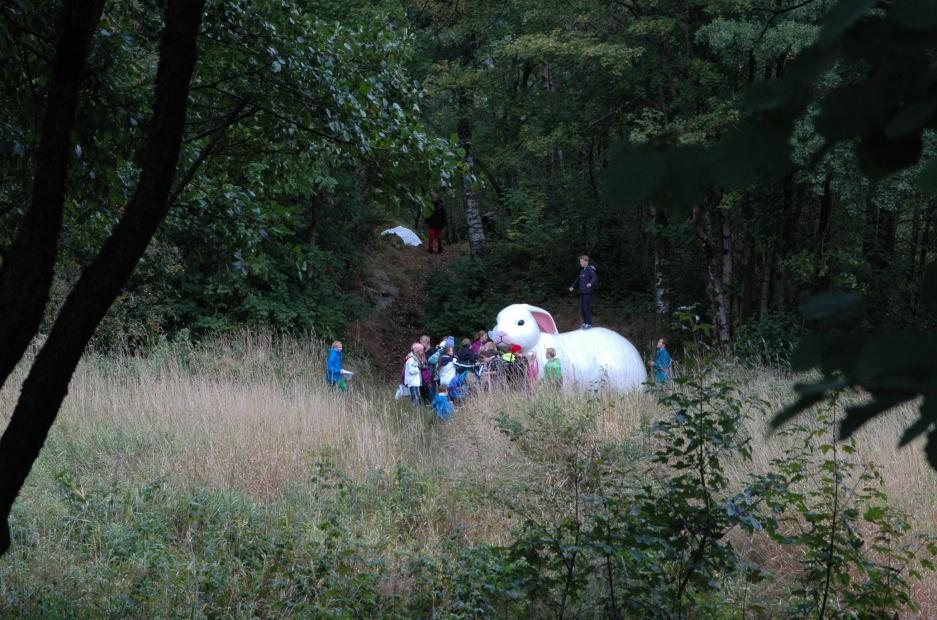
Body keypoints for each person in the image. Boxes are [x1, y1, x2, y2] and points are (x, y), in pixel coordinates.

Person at [568, 254, 598, 330]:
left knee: (586, 308)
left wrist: (590, 283)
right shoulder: (582, 271)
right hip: (581, 292)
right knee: (582, 308)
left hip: (587, 292)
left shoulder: (589, 270)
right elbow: (577, 280)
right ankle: (585, 323)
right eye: (580, 262)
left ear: (586, 262)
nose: (580, 263)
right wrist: (572, 286)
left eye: (581, 262)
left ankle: (589, 324)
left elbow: (594, 277)